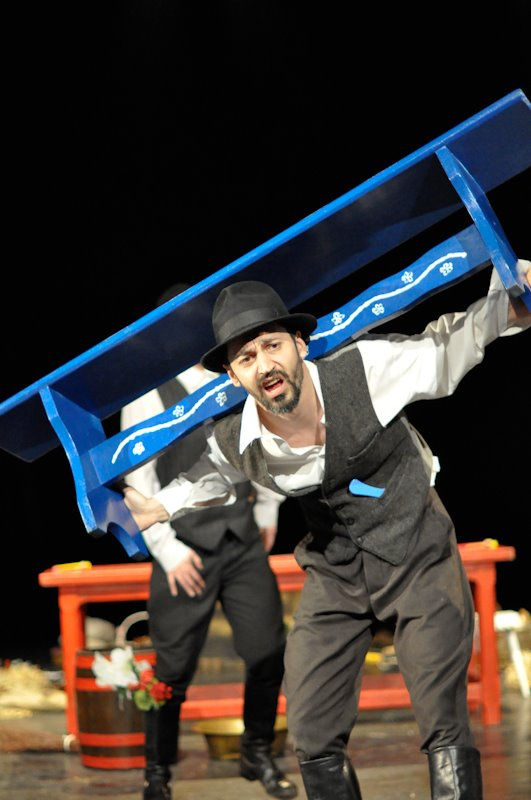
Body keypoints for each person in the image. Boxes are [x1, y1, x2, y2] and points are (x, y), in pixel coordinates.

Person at [123, 262, 531, 800]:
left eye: (272, 346)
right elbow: (208, 478)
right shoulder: (236, 437)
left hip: (416, 552)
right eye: (247, 358)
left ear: (299, 344)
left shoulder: (364, 370)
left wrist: (505, 308)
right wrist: (157, 507)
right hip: (336, 573)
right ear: (233, 377)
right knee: (311, 724)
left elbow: (444, 348)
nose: (265, 365)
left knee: (441, 713)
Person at [121, 286, 297, 800]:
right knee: (171, 671)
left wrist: (266, 509)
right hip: (183, 545)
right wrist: (168, 551)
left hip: (239, 537)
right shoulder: (147, 395)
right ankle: (158, 772)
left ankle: (256, 751)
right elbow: (137, 484)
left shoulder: (233, 375)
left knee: (268, 650)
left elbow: (263, 437)